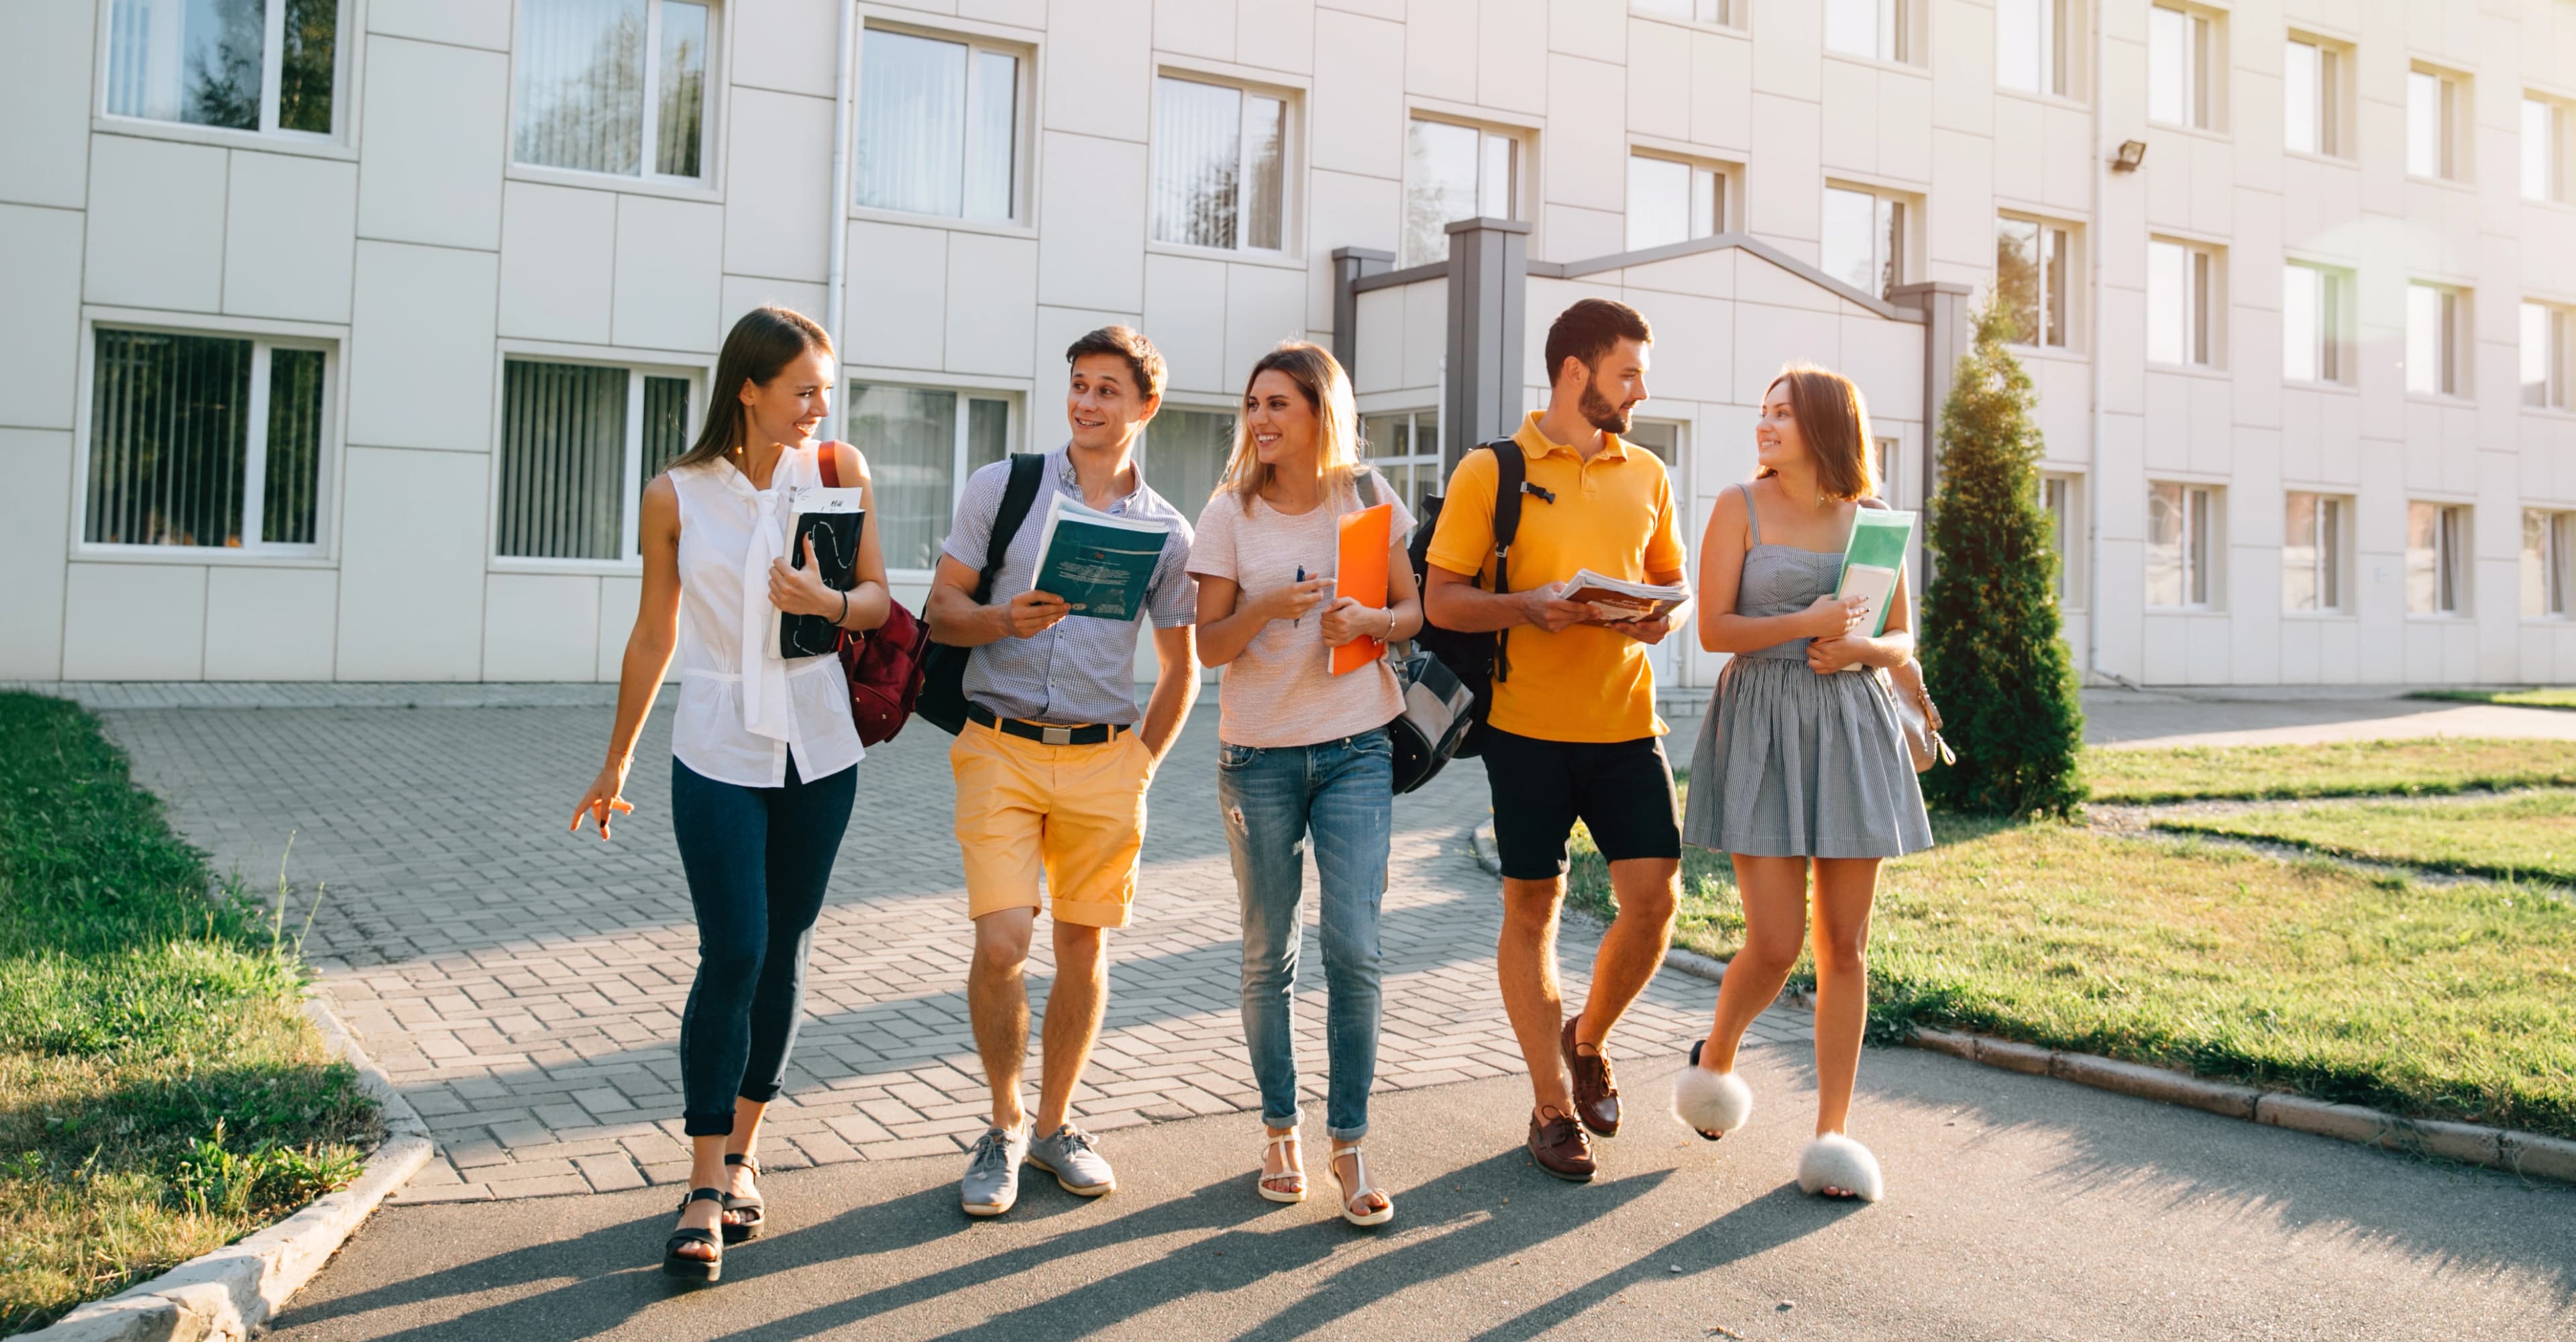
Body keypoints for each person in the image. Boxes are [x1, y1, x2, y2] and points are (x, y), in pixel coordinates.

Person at [570, 306, 889, 1282]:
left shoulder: (839, 473)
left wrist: (826, 605)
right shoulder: (674, 495)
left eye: (826, 391)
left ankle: (745, 1153)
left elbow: (878, 598)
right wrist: (616, 757)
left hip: (821, 743)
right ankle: (702, 1181)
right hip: (714, 741)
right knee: (735, 948)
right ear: (747, 388)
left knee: (785, 948)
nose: (818, 407)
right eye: (803, 390)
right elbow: (653, 634)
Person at [925, 327, 1199, 1217]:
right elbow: (938, 613)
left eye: (1107, 390)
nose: (1086, 403)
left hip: (1102, 761)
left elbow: (1183, 666)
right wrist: (1004, 621)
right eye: (1079, 385)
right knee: (1003, 942)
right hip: (998, 745)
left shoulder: (1167, 531)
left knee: (1084, 948)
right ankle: (1003, 1127)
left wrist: (1140, 765)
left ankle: (1053, 1127)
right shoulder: (1002, 489)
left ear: (1145, 407)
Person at [1421, 298, 1690, 1182]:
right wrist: (1527, 608)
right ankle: (1548, 1106)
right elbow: (1442, 600)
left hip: (1626, 724)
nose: (1641, 390)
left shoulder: (1647, 472)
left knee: (1654, 902)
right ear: (1577, 371)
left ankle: (1589, 1039)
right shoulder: (1489, 471)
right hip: (1524, 732)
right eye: (1628, 373)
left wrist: (1656, 619)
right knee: (1530, 911)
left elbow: (1667, 580)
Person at [1669, 363, 1933, 1204]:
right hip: (1764, 724)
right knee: (1777, 940)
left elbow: (1901, 637)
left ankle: (1832, 1132)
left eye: (1782, 414)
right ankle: (1716, 1057)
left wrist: (1860, 649)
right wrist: (1811, 623)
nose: (1766, 425)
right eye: (1763, 412)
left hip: (1852, 729)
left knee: (1846, 946)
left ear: (1824, 426)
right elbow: (1715, 629)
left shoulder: (1873, 522)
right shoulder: (1736, 506)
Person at [1190, 342, 1422, 1227]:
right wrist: (1266, 610)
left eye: (1277, 404)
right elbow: (1207, 645)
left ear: (1321, 412)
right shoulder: (1229, 513)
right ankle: (1280, 1127)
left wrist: (1371, 619)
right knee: (1268, 952)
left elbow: (1413, 612)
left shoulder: (1365, 499)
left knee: (1355, 947)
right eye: (1253, 404)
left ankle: (1351, 1142)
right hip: (1258, 756)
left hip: (1356, 746)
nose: (1259, 420)